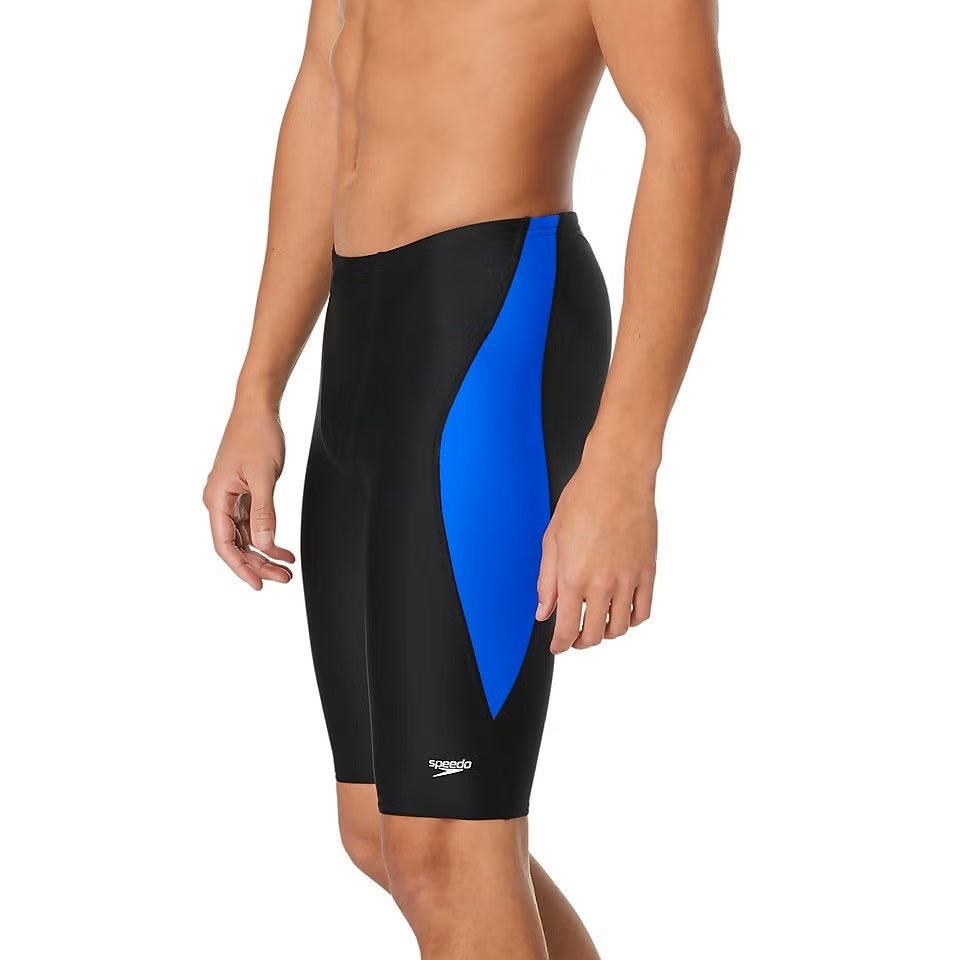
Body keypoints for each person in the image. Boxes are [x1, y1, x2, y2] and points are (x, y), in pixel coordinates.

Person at [203, 0, 738, 955]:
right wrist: (258, 387)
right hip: (365, 337)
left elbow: (694, 140)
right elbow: (326, 81)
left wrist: (623, 462)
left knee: (445, 849)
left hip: (491, 325)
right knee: (381, 827)